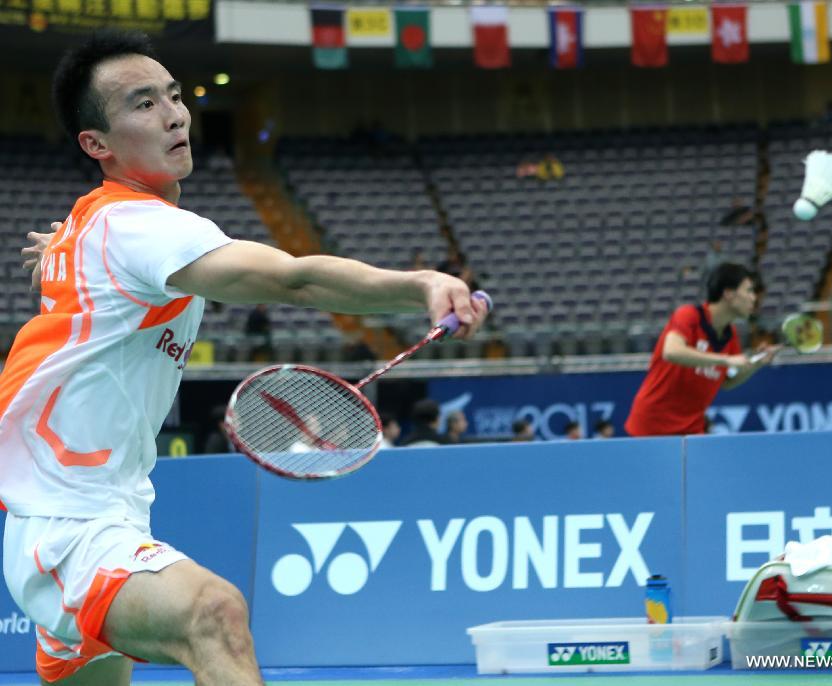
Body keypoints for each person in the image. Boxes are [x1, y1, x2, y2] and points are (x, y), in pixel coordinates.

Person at [3, 29, 487, 686]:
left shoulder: (101, 226)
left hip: (102, 514)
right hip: (68, 526)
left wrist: (59, 255)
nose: (175, 114)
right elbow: (293, 280)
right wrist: (420, 285)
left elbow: (90, 270)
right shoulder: (133, 226)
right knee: (214, 613)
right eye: (143, 105)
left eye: (174, 96)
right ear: (97, 144)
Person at [624, 263, 777, 437]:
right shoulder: (689, 316)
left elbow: (727, 381)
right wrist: (724, 360)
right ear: (728, 294)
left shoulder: (730, 335)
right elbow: (671, 351)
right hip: (651, 426)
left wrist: (756, 364)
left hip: (691, 430)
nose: (754, 298)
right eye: (749, 291)